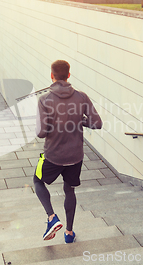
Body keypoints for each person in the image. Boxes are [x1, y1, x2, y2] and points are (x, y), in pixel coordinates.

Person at [34, 60, 102, 244]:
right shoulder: (82, 97)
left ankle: (51, 218)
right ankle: (69, 233)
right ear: (69, 75)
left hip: (52, 156)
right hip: (75, 157)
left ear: (52, 75)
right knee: (69, 190)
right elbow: (97, 123)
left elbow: (41, 133)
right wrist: (79, 121)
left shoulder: (44, 100)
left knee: (37, 181)